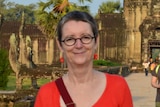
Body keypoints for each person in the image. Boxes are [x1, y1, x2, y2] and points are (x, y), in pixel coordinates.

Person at [34, 11, 133, 107]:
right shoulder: (46, 94)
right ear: (60, 44)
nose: (79, 45)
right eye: (70, 39)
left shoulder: (118, 87)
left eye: (85, 37)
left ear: (96, 41)